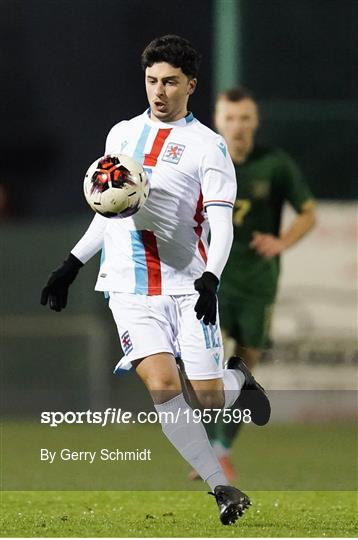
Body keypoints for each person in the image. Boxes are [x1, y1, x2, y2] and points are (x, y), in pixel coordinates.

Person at [40, 36, 270, 525]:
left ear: (190, 84)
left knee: (207, 397)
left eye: (169, 82)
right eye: (151, 81)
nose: (158, 91)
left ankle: (238, 384)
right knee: (164, 387)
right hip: (129, 289)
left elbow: (223, 223)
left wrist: (211, 278)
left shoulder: (209, 147)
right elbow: (110, 208)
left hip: (188, 287)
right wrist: (72, 263)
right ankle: (221, 486)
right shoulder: (121, 135)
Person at [190, 86, 315, 481]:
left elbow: (308, 212)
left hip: (259, 283)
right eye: (230, 118)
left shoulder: (273, 165)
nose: (237, 126)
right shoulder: (204, 160)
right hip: (213, 279)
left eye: (245, 118)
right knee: (201, 364)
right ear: (217, 120)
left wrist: (282, 241)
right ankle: (212, 448)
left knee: (245, 368)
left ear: (255, 121)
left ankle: (221, 447)